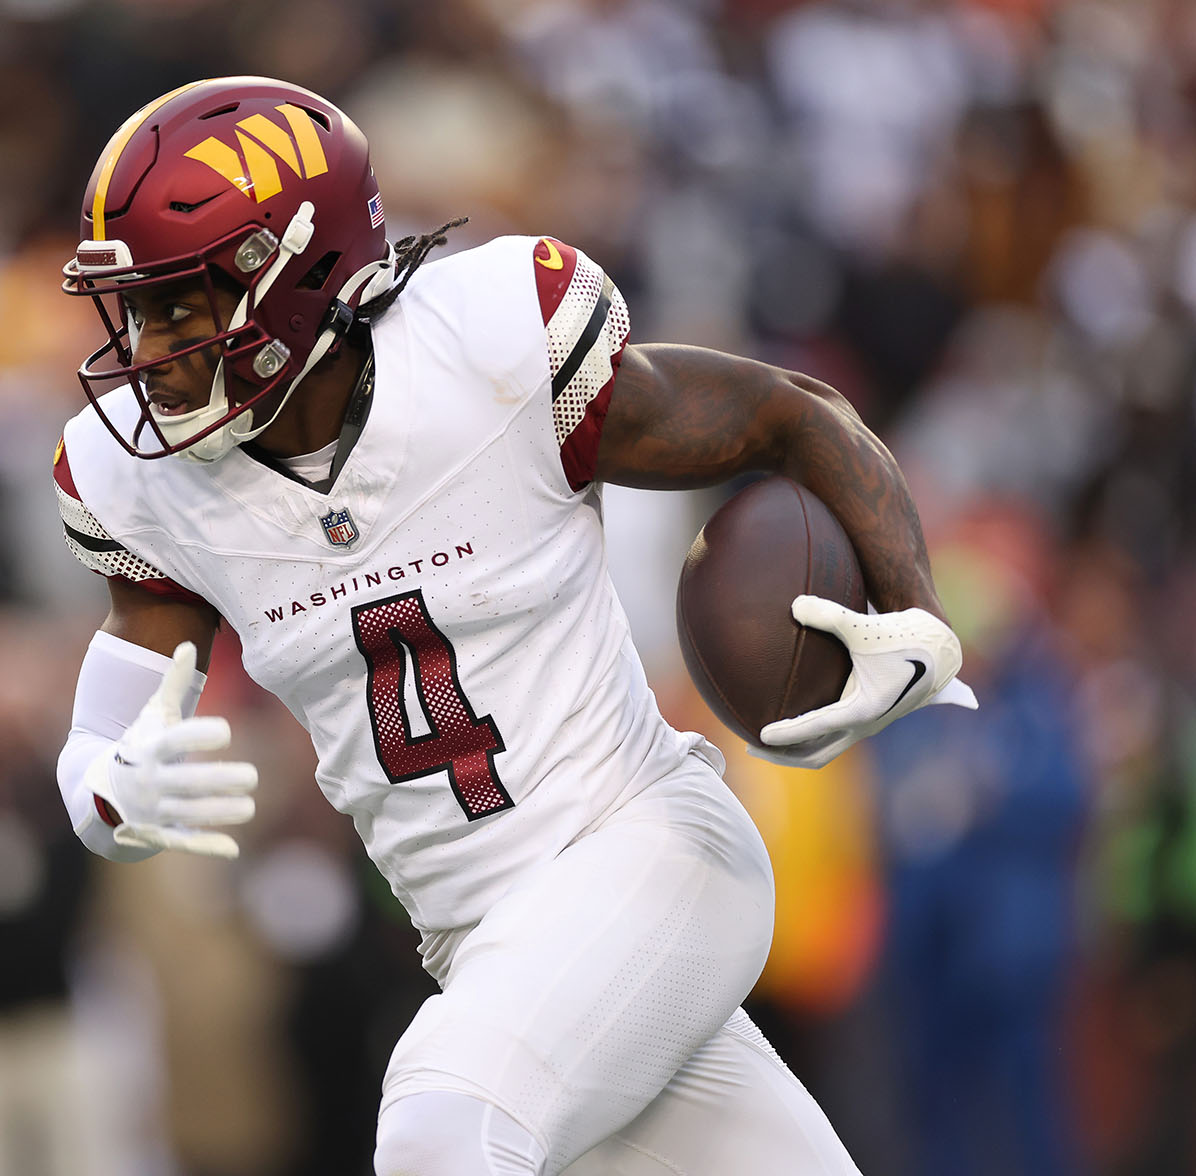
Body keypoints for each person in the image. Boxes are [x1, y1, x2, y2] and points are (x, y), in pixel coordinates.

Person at [52, 77, 976, 1176]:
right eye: (135, 308)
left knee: (442, 1123)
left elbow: (789, 414)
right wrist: (111, 794)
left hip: (646, 849)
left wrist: (914, 611)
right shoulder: (142, 486)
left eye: (176, 303)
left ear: (290, 275)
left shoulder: (489, 349)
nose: (146, 348)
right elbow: (101, 744)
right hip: (485, 945)